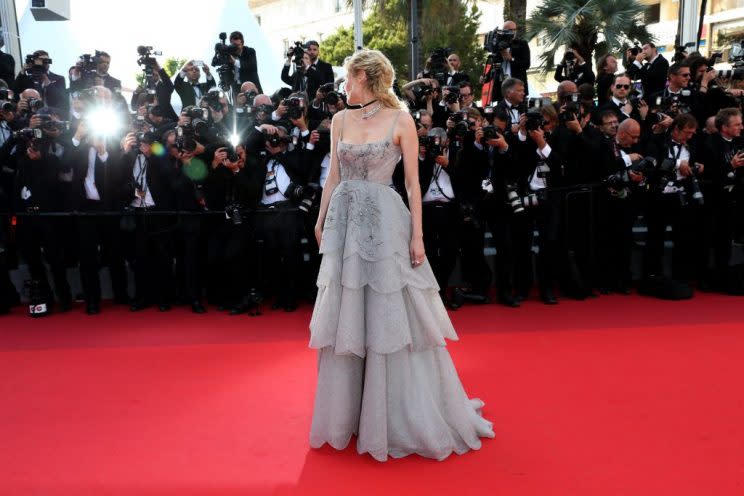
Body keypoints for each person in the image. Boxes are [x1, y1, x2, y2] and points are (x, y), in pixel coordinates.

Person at [308, 49, 494, 462]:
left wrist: (417, 237)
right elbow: (333, 175)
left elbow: (412, 185)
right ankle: (350, 414)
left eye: (348, 76)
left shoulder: (400, 119)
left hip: (386, 222)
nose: (344, 82)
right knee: (348, 312)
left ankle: (394, 414)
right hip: (344, 222)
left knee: (390, 309)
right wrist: (322, 218)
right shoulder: (339, 120)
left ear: (366, 77)